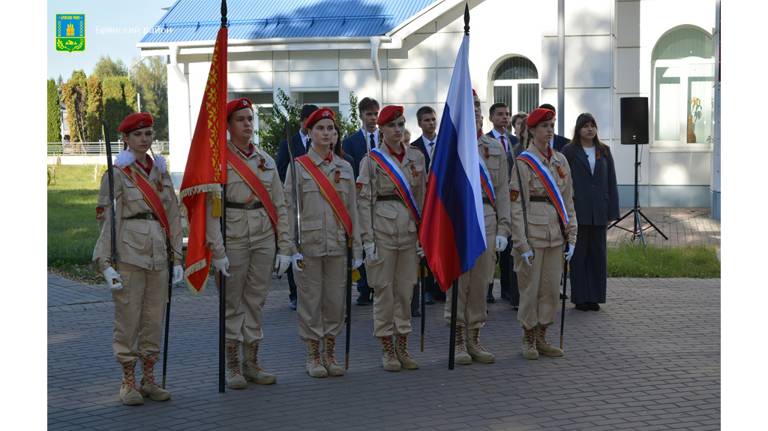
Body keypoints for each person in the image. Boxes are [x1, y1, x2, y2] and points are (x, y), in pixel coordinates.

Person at [93, 112, 183, 405]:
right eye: (138, 135)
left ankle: (149, 379)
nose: (144, 139)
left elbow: (172, 215)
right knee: (128, 319)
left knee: (153, 319)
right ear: (126, 139)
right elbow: (106, 220)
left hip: (158, 254)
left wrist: (177, 258)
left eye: (148, 134)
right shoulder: (117, 173)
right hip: (129, 253)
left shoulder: (161, 172)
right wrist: (105, 263)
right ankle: (128, 382)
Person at [204, 98, 290, 389]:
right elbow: (211, 211)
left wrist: (286, 247)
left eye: (250, 119)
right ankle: (232, 367)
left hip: (264, 238)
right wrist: (217, 250)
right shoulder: (218, 161)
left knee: (256, 302)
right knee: (232, 305)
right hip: (234, 238)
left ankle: (251, 363)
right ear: (227, 125)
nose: (247, 124)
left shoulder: (265, 160)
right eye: (240, 119)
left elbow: (280, 205)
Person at [285, 107, 363, 378]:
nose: (327, 133)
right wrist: (290, 248)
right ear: (309, 132)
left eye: (331, 129)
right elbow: (288, 209)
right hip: (309, 245)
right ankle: (313, 356)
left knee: (335, 302)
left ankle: (330, 353)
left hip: (339, 245)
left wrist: (358, 246)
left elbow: (353, 208)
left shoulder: (345, 166)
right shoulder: (297, 167)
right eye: (320, 128)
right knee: (310, 302)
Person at [357, 105, 426, 372]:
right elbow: (364, 203)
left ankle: (403, 345)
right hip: (383, 232)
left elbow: (422, 197)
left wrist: (423, 235)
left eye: (400, 124)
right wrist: (368, 239)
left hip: (409, 232)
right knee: (384, 291)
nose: (397, 130)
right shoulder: (371, 160)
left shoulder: (416, 158)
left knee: (405, 290)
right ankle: (387, 348)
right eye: (392, 126)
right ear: (382, 130)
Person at [445, 90, 511, 365]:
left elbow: (503, 191)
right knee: (459, 280)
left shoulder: (493, 147)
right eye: (467, 106)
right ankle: (458, 338)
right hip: (458, 216)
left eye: (476, 106)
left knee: (482, 278)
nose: (473, 111)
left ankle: (474, 336)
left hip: (486, 215)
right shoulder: (447, 146)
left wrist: (504, 229)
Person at [509, 107, 577, 360]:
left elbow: (568, 200)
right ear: (533, 130)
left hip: (555, 234)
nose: (550, 131)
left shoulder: (561, 160)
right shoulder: (523, 162)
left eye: (552, 126)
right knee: (530, 289)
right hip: (533, 233)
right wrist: (521, 242)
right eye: (545, 126)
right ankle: (527, 338)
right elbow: (516, 206)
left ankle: (542, 335)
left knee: (550, 289)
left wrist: (573, 234)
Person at [561, 113, 619, 311]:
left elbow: (611, 181)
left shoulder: (604, 151)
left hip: (599, 211)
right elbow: (563, 182)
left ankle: (595, 297)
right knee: (579, 256)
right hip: (578, 210)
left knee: (598, 256)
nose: (589, 129)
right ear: (578, 129)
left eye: (592, 125)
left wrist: (612, 211)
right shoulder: (569, 151)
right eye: (585, 126)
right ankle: (580, 297)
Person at [277, 104, 319, 311]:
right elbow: (280, 169)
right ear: (303, 121)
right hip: (295, 202)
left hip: (315, 203)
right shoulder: (289, 144)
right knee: (295, 246)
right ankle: (295, 293)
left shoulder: (322, 140)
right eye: (310, 119)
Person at [342, 97, 380, 306]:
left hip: (383, 200)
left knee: (379, 241)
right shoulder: (351, 141)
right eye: (369, 114)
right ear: (361, 115)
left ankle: (379, 285)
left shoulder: (385, 138)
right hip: (361, 199)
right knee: (364, 240)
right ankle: (364, 288)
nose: (373, 118)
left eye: (375, 114)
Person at [409, 106, 443, 304]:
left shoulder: (446, 144)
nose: (431, 123)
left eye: (433, 119)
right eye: (427, 120)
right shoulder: (414, 148)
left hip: (442, 202)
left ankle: (441, 285)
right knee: (426, 245)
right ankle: (428, 288)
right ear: (420, 123)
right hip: (425, 203)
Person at [485, 102, 518, 305]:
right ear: (491, 118)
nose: (504, 118)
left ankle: (506, 288)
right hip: (489, 198)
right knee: (489, 249)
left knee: (507, 247)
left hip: (508, 199)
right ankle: (487, 288)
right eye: (499, 114)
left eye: (507, 114)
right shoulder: (485, 141)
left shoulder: (514, 142)